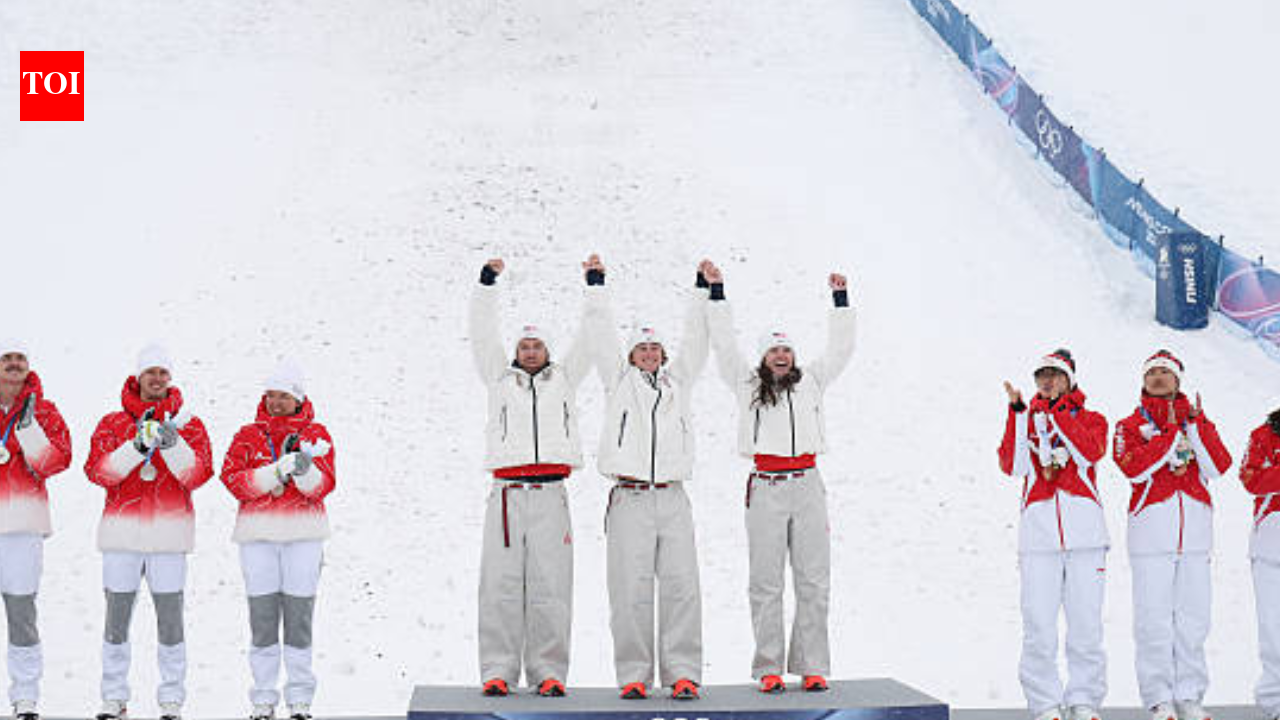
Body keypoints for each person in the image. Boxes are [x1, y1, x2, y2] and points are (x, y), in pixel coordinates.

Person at [702, 261, 855, 694]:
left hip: (807, 484)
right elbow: (723, 346)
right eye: (773, 351)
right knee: (766, 580)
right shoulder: (746, 384)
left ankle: (812, 665)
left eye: (786, 350)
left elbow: (842, 349)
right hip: (766, 487)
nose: (781, 356)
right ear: (764, 357)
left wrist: (840, 302)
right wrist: (717, 294)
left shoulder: (813, 383)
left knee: (813, 578)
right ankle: (768, 666)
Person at [469, 256, 599, 698]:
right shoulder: (498, 378)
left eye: (537, 346)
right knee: (501, 585)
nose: (529, 351)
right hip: (507, 495)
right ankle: (497, 670)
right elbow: (482, 332)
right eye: (524, 345)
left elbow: (589, 337)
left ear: (547, 351)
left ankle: (549, 671)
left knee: (551, 584)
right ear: (516, 351)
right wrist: (487, 283)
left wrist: (594, 284)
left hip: (550, 495)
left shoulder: (564, 379)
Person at [588, 257, 710, 700]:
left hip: (673, 497)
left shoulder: (678, 384)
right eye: (643, 349)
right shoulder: (618, 382)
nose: (651, 354)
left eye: (656, 348)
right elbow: (600, 335)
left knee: (681, 587)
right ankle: (634, 675)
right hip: (630, 497)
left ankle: (683, 673)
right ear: (631, 355)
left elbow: (697, 342)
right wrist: (596, 284)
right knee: (630, 588)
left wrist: (702, 289)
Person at [84, 344, 214, 720]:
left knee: (170, 622)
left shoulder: (189, 424)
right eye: (150, 372)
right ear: (138, 377)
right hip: (122, 538)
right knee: (116, 621)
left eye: (162, 372)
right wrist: (136, 445)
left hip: (169, 537)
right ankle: (113, 698)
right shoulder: (112, 423)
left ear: (169, 378)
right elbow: (99, 472)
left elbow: (199, 475)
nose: (156, 379)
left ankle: (171, 699)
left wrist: (172, 444)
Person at [1113, 350, 1231, 720]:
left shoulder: (1197, 421)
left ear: (1178, 380)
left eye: (1166, 372)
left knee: (1194, 620)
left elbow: (1218, 466)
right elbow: (1133, 470)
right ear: (1143, 381)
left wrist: (1194, 427)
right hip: (1151, 535)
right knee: (1154, 620)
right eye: (1152, 373)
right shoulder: (1130, 425)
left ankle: (1189, 695)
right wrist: (1167, 434)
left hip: (1194, 536)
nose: (1159, 378)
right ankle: (1159, 697)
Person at [220, 361, 336, 720]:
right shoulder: (247, 435)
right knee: (263, 619)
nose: (275, 402)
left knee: (299, 619)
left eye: (283, 395)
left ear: (297, 398)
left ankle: (300, 698)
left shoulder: (317, 434)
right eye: (270, 395)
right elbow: (233, 480)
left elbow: (324, 486)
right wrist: (277, 470)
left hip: (303, 536)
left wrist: (304, 471)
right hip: (258, 538)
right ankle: (263, 697)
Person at [998, 349, 1109, 720]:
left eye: (1055, 375)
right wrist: (1017, 415)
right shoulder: (1026, 421)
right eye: (1041, 376)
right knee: (1039, 627)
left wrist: (1059, 414)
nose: (1047, 381)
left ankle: (1084, 700)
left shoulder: (1093, 418)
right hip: (1038, 540)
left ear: (1070, 380)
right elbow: (1012, 465)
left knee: (1086, 627)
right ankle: (1044, 703)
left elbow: (1089, 452)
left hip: (1086, 538)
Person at [0, 340, 71, 720]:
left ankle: (25, 696)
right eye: (7, 358)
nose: (14, 364)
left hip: (24, 525)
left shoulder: (44, 410)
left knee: (21, 612)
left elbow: (58, 461)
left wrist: (29, 431)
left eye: (20, 359)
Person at [1242, 403, 1280, 720]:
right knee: (1274, 628)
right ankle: (1275, 700)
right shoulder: (1263, 435)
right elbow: (1252, 480)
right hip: (1271, 542)